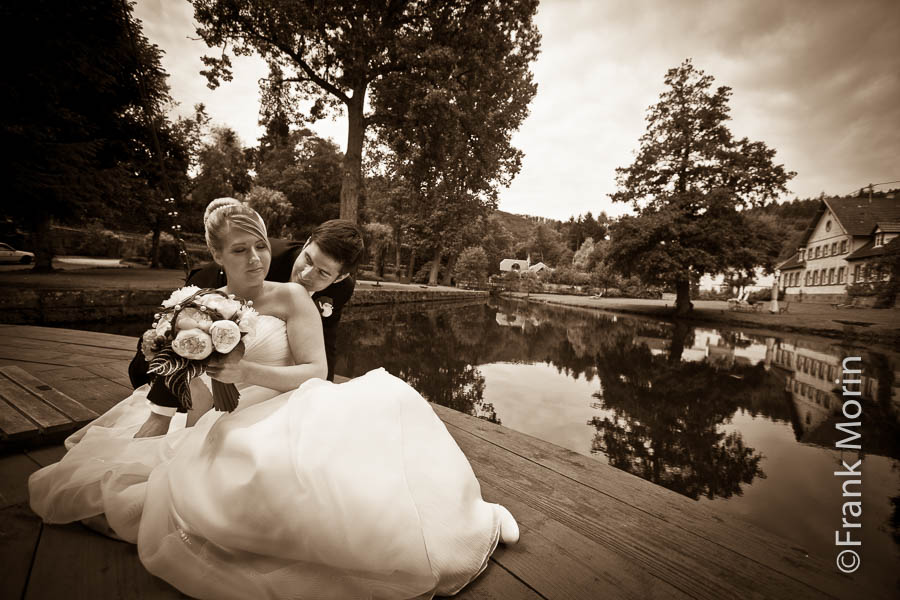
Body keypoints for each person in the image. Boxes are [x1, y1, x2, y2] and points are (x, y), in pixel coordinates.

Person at [28, 199, 519, 600]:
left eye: (261, 246)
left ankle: (466, 520)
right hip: (220, 414)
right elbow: (173, 369)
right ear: (218, 256)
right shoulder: (196, 302)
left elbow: (318, 368)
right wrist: (166, 408)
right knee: (234, 471)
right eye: (240, 250)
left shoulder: (293, 297)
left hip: (287, 397)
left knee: (386, 408)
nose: (257, 258)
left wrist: (247, 370)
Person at [130, 199, 365, 437]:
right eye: (308, 260)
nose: (306, 274)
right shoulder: (223, 281)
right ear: (305, 244)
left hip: (272, 400)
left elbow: (325, 344)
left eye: (323, 273)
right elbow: (179, 340)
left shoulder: (316, 293)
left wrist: (322, 396)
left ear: (338, 278)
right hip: (198, 382)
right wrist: (161, 411)